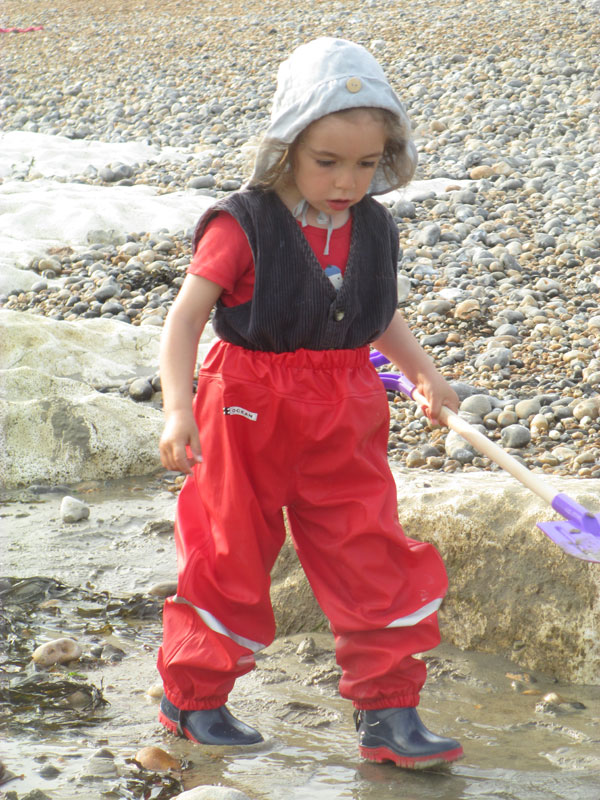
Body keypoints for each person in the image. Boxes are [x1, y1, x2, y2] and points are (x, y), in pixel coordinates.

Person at [156, 37, 462, 770]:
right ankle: (193, 699)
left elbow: (374, 311)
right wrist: (178, 406)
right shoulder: (242, 224)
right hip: (246, 405)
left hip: (346, 404)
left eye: (366, 164)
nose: (347, 181)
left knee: (369, 546)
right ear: (287, 146)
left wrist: (422, 371)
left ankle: (389, 712)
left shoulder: (374, 227)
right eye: (327, 161)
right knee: (230, 548)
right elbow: (184, 318)